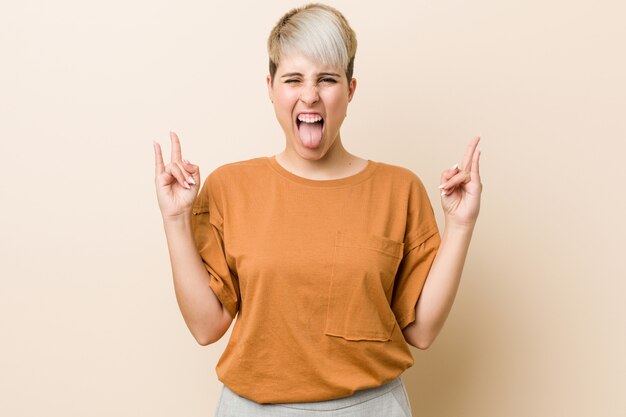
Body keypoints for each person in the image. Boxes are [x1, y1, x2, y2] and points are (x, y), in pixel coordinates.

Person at [153, 3, 482, 416]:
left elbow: (422, 329)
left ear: (350, 89)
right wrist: (174, 219)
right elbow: (206, 327)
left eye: (327, 78)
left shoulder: (399, 190)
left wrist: (461, 225)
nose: (310, 94)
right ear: (270, 88)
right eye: (294, 79)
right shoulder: (228, 188)